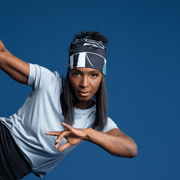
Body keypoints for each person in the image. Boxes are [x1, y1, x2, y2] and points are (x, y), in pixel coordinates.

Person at [0, 30, 138, 180]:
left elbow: (130, 148)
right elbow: (3, 55)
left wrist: (87, 134)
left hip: (11, 172)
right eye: (77, 73)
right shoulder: (48, 81)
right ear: (69, 73)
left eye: (93, 75)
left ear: (101, 78)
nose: (84, 84)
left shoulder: (95, 119)